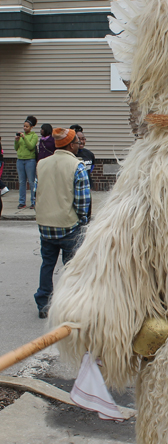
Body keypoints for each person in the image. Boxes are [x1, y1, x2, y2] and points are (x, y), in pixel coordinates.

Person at [33, 128, 90, 318]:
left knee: (47, 264)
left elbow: (35, 194)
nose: (79, 145)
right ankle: (69, 305)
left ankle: (43, 303)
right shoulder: (77, 166)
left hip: (45, 225)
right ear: (70, 145)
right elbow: (83, 201)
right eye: (76, 143)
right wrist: (82, 220)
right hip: (68, 225)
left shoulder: (42, 164)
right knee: (71, 268)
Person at [14, 115, 38, 209]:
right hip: (20, 160)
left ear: (31, 127)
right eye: (24, 126)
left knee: (31, 182)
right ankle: (22, 202)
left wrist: (24, 138)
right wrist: (16, 141)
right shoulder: (20, 136)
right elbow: (16, 148)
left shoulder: (34, 136)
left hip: (30, 160)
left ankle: (33, 201)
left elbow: (31, 146)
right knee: (21, 182)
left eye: (27, 126)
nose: (24, 128)